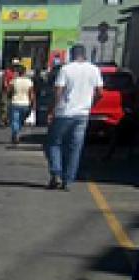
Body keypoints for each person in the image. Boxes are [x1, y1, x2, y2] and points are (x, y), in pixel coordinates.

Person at [45, 45, 103, 190]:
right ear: (85, 54)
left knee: (54, 143)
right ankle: (68, 181)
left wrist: (51, 110)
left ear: (72, 54)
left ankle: (56, 174)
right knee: (75, 148)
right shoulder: (94, 70)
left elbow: (58, 91)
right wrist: (90, 104)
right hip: (82, 114)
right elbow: (100, 92)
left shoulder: (66, 69)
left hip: (64, 113)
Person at [6, 64, 34, 145]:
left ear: (17, 72)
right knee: (21, 120)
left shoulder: (14, 81)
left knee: (15, 120)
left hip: (15, 102)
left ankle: (16, 134)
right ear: (25, 72)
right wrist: (32, 104)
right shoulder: (29, 81)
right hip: (26, 104)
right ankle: (17, 133)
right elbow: (31, 94)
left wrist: (9, 96)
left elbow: (8, 91)